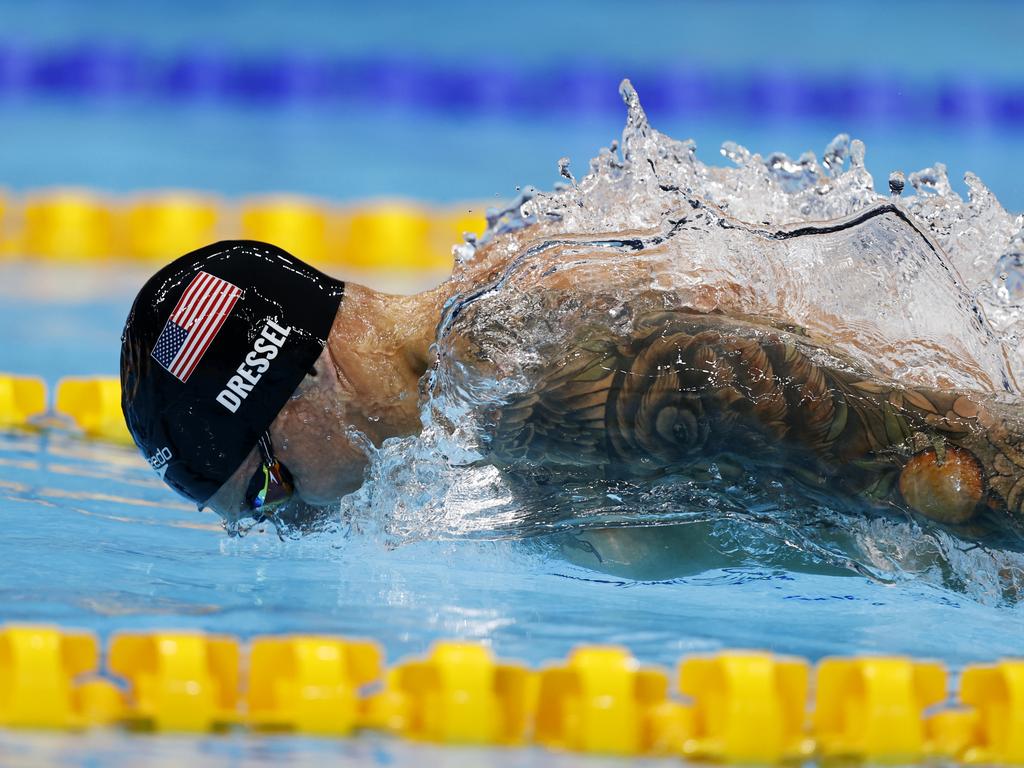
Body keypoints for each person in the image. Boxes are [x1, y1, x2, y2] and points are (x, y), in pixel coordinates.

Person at [121, 236, 1024, 576]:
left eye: (272, 489)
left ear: (304, 377)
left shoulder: (544, 380)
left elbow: (947, 468)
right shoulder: (502, 406)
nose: (301, 527)